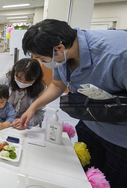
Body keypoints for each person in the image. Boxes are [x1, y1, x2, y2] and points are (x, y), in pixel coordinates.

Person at [20, 19, 127, 187]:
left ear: (60, 48)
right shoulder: (60, 55)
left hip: (121, 139)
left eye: (42, 58)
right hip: (91, 122)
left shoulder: (118, 55)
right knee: (86, 174)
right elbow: (57, 84)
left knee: (112, 180)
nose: (42, 62)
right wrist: (33, 107)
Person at [0, 58, 46, 129]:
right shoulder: (5, 80)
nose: (22, 83)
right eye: (19, 78)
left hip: (21, 127)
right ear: (14, 72)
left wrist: (27, 122)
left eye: (27, 81)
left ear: (36, 79)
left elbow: (39, 115)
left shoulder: (40, 88)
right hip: (0, 122)